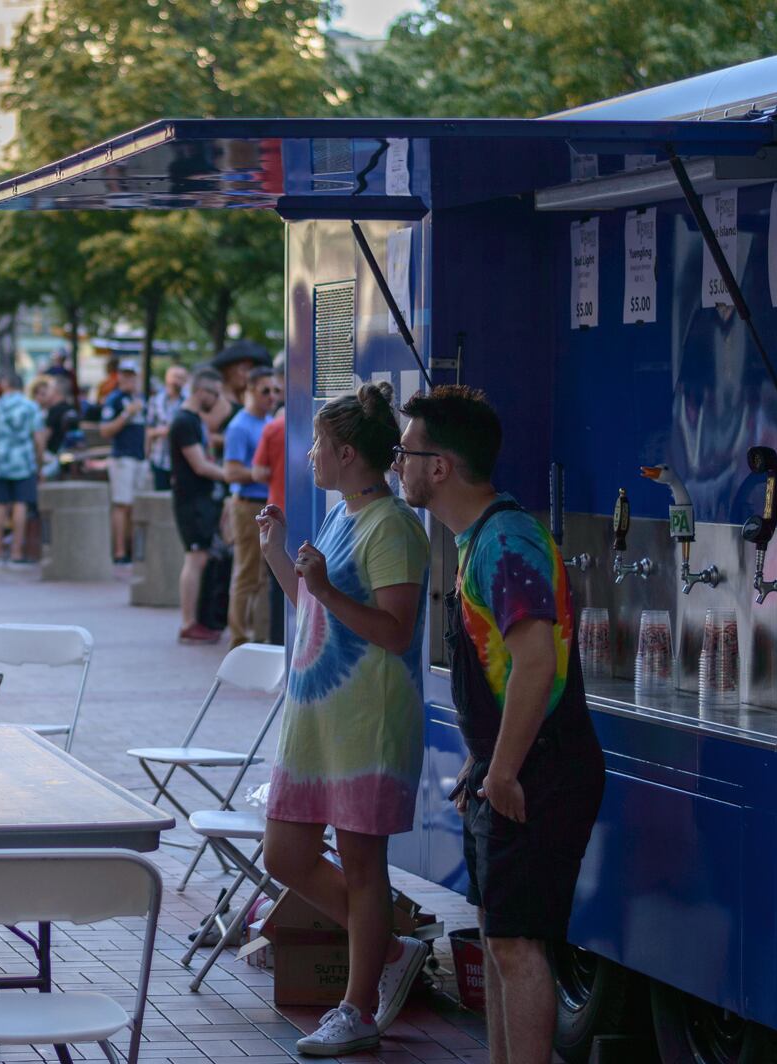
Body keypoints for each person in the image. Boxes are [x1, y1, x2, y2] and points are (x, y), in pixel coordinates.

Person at [395, 385, 604, 1064]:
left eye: (405, 452)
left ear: (439, 467)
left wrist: (506, 769)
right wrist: (484, 765)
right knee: (498, 938)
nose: (397, 464)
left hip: (541, 771)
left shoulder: (505, 542)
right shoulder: (478, 538)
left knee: (518, 946)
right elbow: (500, 676)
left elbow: (535, 665)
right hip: (508, 772)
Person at [254, 382, 431, 1058]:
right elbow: (316, 609)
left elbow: (394, 630)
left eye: (319, 445)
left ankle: (357, 1009)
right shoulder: (343, 512)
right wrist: (276, 552)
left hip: (369, 724)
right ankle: (386, 948)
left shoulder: (391, 525)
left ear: (349, 452)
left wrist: (323, 586)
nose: (308, 455)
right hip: (317, 717)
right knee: (286, 853)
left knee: (363, 866)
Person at [169, 370, 227, 644]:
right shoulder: (183, 421)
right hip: (190, 499)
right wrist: (234, 474)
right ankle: (188, 621)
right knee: (195, 559)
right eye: (214, 394)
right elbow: (200, 465)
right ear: (201, 391)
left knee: (200, 558)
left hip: (198, 499)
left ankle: (193, 620)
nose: (217, 400)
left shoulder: (192, 420)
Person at [223, 366, 279, 648]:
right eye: (265, 390)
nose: (272, 396)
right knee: (246, 573)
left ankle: (259, 637)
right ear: (250, 390)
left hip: (265, 503)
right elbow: (231, 473)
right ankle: (239, 638)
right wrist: (261, 472)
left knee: (263, 576)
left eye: (275, 390)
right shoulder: (239, 426)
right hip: (247, 505)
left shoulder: (268, 420)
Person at [0, 369, 44, 567]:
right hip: (24, 462)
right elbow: (39, 438)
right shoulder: (31, 407)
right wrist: (39, 461)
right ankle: (16, 553)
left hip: (0, 461)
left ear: (5, 385)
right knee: (20, 505)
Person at [251, 368, 289, 645]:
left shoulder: (273, 428)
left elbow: (258, 472)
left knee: (276, 582)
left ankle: (277, 641)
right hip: (306, 512)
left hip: (277, 509)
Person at [100, 359, 150, 565]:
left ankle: (132, 549)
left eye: (132, 375)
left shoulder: (142, 399)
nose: (129, 379)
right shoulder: (114, 399)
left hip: (140, 458)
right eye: (125, 375)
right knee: (122, 504)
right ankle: (120, 552)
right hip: (122, 457)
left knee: (136, 506)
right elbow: (105, 431)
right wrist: (126, 415)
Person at [147, 364, 188, 491]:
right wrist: (161, 431)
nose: (177, 381)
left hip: (183, 462)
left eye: (181, 378)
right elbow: (148, 430)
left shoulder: (188, 402)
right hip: (159, 459)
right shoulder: (155, 401)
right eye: (174, 377)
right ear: (167, 378)